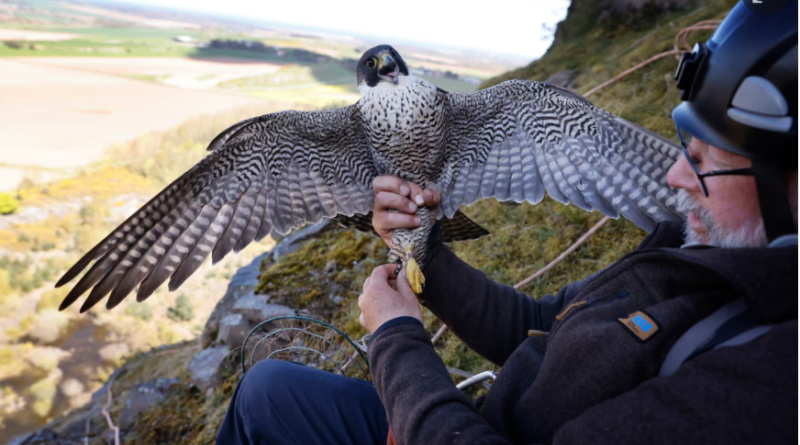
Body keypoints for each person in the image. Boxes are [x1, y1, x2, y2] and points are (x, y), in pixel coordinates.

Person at [216, 3, 797, 444]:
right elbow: (541, 326)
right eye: (684, 147)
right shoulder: (702, 249)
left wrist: (396, 339)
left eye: (706, 162)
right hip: (465, 415)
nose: (673, 175)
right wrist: (426, 252)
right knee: (266, 391)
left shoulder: (762, 382)